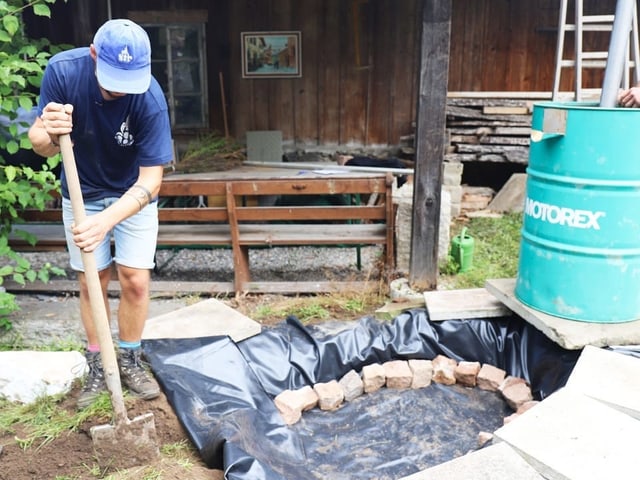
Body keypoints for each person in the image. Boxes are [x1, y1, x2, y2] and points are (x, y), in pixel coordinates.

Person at [28, 19, 174, 408]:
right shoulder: (63, 72)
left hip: (132, 196)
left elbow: (152, 181)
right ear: (94, 55)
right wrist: (48, 131)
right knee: (93, 279)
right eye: (114, 79)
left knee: (135, 281)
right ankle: (98, 360)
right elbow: (39, 142)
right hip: (83, 192)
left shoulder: (150, 99)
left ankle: (128, 358)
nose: (121, 89)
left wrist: (107, 222)